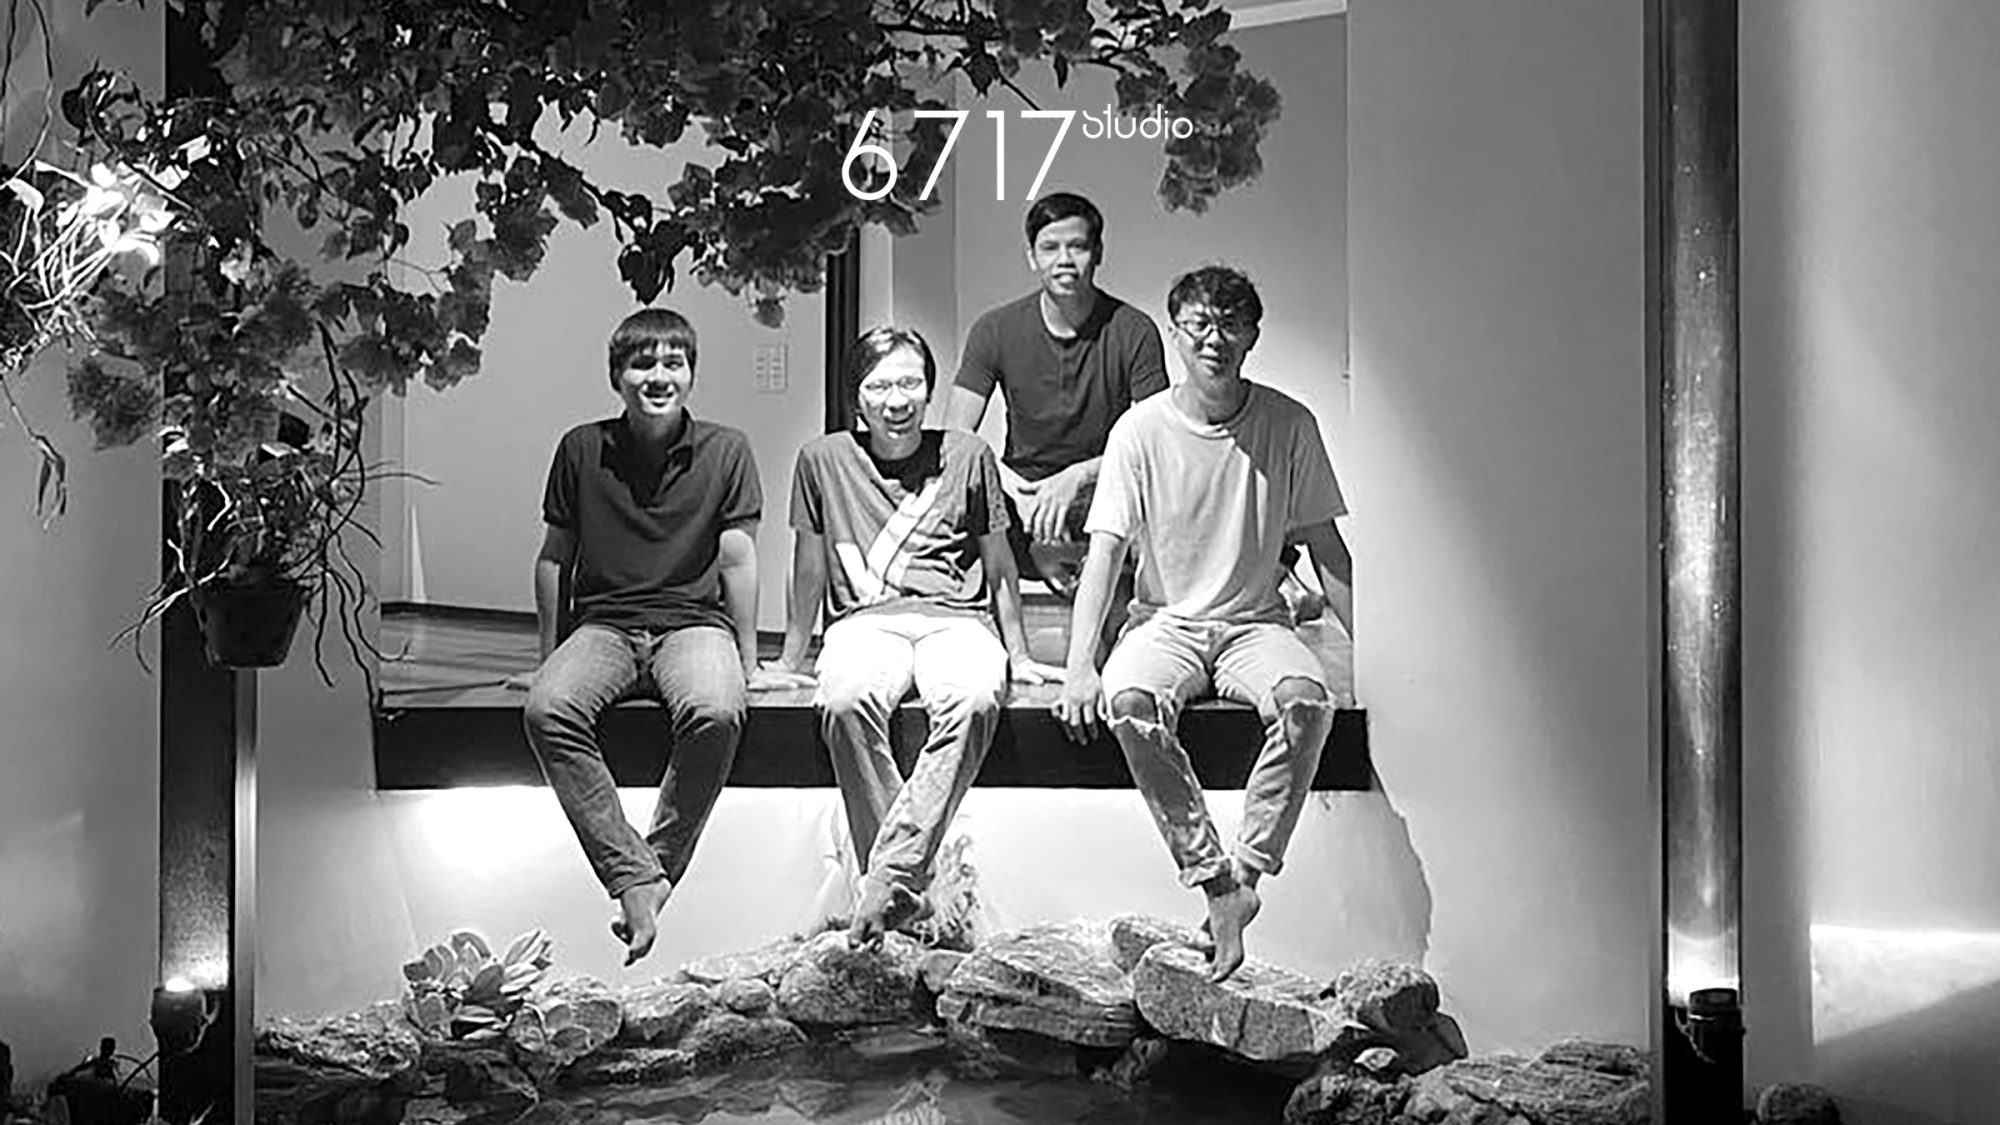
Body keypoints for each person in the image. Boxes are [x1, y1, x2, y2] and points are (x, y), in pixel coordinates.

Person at [1054, 266, 1355, 983]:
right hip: (1164, 623)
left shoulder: (1289, 424)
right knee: (1130, 704)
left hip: (1257, 623)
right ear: (1176, 332)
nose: (1214, 339)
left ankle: (1245, 873)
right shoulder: (1140, 430)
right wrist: (1078, 665)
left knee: (1306, 704)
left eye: (1229, 324)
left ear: (1252, 335)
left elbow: (1327, 547)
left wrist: (1376, 655)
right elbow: (1106, 554)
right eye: (1199, 324)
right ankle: (1212, 879)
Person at [765, 326, 1061, 945]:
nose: (897, 400)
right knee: (845, 700)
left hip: (957, 619)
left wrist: (1019, 652)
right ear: (856, 396)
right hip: (864, 622)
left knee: (973, 699)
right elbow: (809, 566)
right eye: (880, 386)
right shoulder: (822, 460)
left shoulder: (968, 454)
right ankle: (903, 884)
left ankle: (888, 880)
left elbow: (999, 560)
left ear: (929, 390)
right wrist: (792, 657)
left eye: (910, 383)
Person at [514, 307, 774, 966]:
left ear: (690, 373)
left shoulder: (727, 450)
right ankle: (634, 875)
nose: (658, 376)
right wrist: (547, 658)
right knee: (548, 708)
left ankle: (649, 873)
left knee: (716, 710)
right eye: (642, 363)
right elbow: (555, 556)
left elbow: (738, 559)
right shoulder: (581, 448)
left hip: (695, 624)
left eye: (672, 363)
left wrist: (750, 662)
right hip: (604, 624)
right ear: (617, 376)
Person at [940, 191, 1168, 593]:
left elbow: (1154, 442)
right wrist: (1013, 490)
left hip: (1102, 487)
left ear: (1098, 253)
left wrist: (1077, 478)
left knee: (1162, 498)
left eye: (1077, 246)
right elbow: (956, 437)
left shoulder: (1134, 330)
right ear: (1032, 256)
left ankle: (1098, 591)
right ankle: (1009, 591)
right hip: (1021, 493)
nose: (1064, 260)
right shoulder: (994, 329)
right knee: (956, 496)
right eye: (1050, 248)